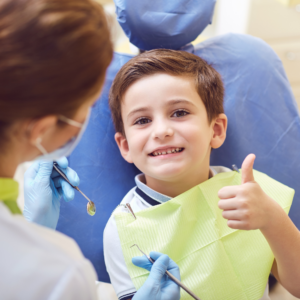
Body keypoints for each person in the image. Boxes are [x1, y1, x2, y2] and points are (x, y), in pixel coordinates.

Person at [0, 0, 181, 299]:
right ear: (41, 130)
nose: (162, 131)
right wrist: (34, 240)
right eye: (89, 106)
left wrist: (30, 228)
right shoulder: (59, 273)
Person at [103, 49, 300, 299]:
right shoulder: (123, 229)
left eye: (179, 113)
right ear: (126, 146)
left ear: (216, 130)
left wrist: (273, 219)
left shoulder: (251, 195)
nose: (161, 130)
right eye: (142, 120)